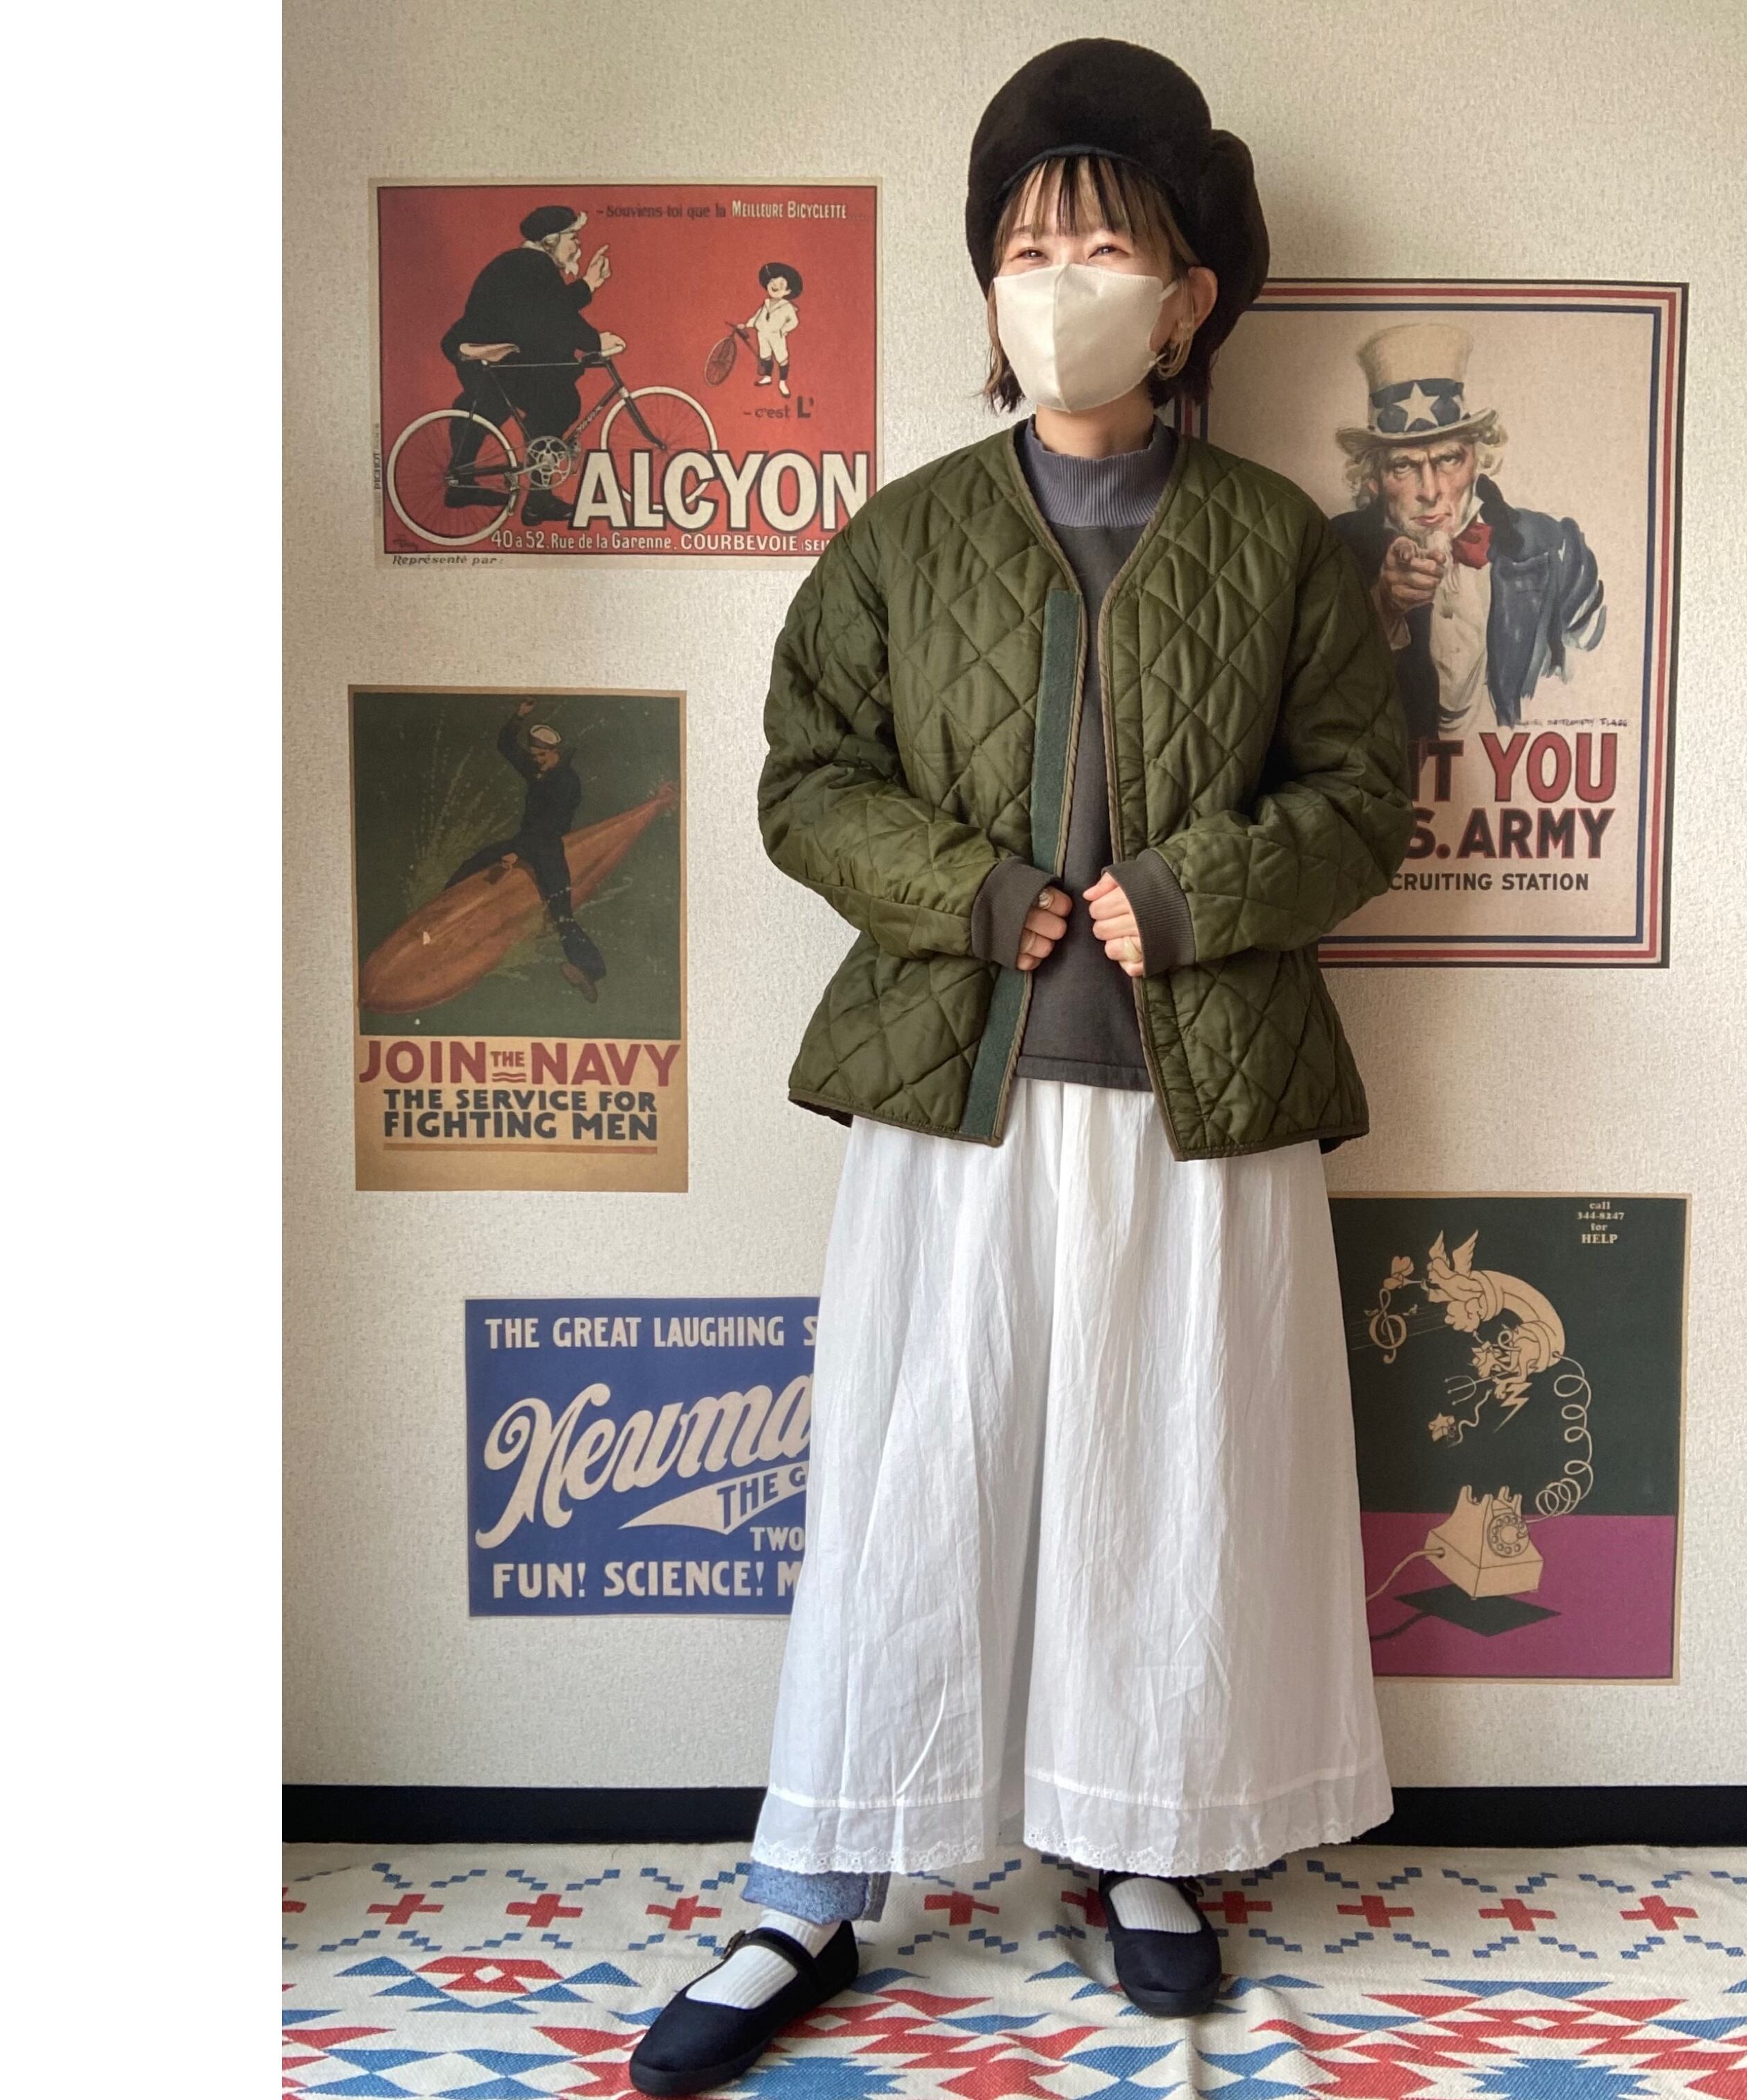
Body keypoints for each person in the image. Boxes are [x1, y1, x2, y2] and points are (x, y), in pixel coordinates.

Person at [631, 39, 1414, 2097]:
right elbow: (809, 778)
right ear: (988, 283)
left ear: (1190, 299)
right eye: (1028, 247)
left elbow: (1362, 798)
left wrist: (1197, 888)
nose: (1062, 282)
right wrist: (972, 895)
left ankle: (1138, 1835)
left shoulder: (1276, 544)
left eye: (1106, 249)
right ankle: (810, 1883)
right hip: (953, 1094)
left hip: (1202, 1100)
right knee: (918, 1478)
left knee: (1170, 1477)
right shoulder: (902, 541)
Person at [1327, 322, 1605, 744]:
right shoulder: (1334, 552)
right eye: (1403, 465)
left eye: (1449, 459)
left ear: (1478, 458)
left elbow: (1594, 688)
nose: (1431, 490)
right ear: (1374, 479)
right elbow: (1317, 703)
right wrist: (1382, 607)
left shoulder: (1555, 548)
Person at [436, 205, 628, 526]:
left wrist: (588, 290)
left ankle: (461, 484)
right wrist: (595, 340)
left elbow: (546, 310)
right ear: (551, 240)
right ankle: (539, 501)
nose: (578, 245)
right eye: (573, 237)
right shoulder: (534, 265)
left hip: (475, 352)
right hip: (495, 355)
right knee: (559, 403)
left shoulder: (521, 263)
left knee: (485, 407)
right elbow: (556, 316)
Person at [444, 699, 607, 1001]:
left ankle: (589, 970)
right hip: (525, 841)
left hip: (547, 848)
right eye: (534, 756)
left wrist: (517, 854)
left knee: (561, 913)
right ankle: (442, 909)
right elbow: (506, 745)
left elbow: (548, 828)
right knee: (474, 863)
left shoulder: (568, 783)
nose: (537, 761)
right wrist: (519, 716)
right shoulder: (537, 769)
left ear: (555, 752)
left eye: (542, 756)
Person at [745, 262, 802, 397]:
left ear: (788, 291)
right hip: (762, 334)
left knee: (781, 358)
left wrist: (784, 330)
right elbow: (758, 316)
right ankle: (768, 377)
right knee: (765, 356)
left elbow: (794, 321)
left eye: (781, 285)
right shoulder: (766, 303)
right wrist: (748, 324)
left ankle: (782, 383)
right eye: (772, 282)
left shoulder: (787, 307)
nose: (775, 286)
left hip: (777, 336)